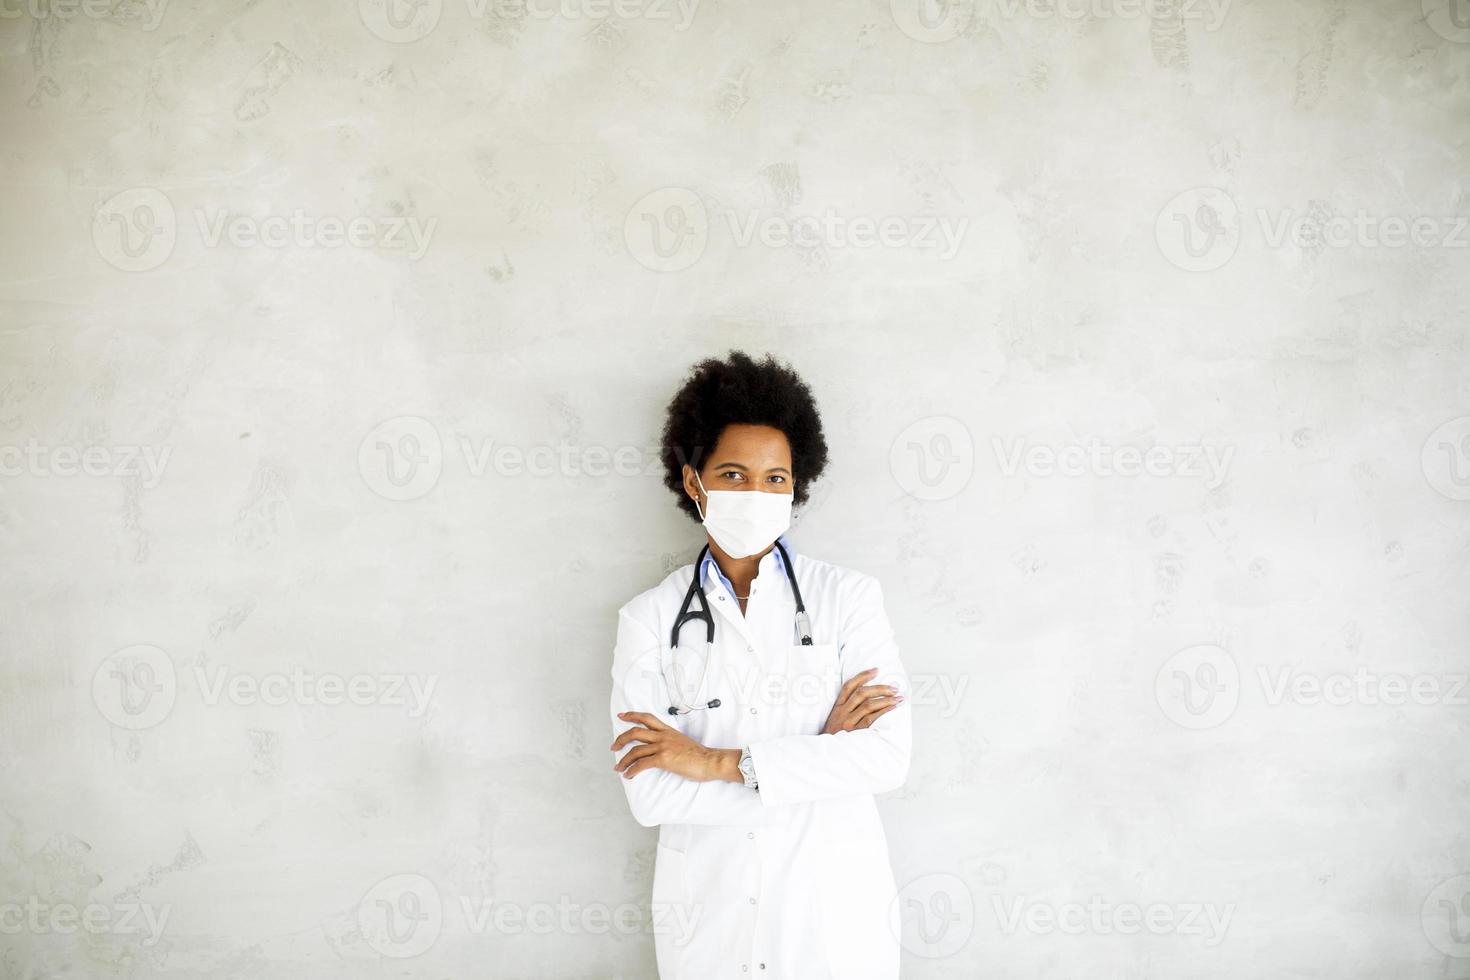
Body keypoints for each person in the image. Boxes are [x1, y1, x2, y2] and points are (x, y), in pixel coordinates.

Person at [608, 350, 913, 978]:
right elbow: (651, 792)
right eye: (734, 475)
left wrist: (714, 763)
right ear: (695, 483)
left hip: (832, 912)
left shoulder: (847, 599)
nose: (757, 492)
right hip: (712, 917)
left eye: (776, 478)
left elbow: (886, 758)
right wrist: (819, 763)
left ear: (796, 484)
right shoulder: (649, 619)